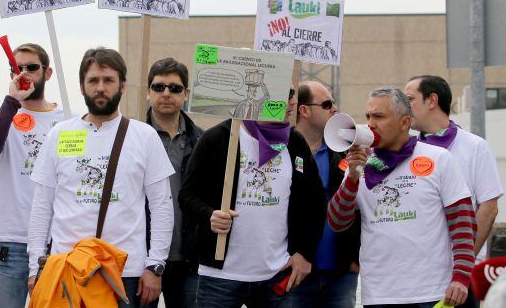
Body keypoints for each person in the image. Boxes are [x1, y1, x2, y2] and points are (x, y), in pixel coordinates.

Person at [28, 47, 175, 307]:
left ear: (123, 85)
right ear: (82, 87)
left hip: (126, 274)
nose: (100, 87)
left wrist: (155, 266)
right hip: (66, 269)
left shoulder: (144, 136)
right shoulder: (59, 134)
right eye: (93, 80)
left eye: (108, 80)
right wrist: (34, 266)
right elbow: (42, 205)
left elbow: (162, 205)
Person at [327, 87, 476, 308]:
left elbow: (462, 221)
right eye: (368, 116)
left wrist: (461, 277)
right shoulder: (359, 164)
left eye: (379, 116)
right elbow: (337, 222)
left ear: (405, 122)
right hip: (380, 294)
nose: (370, 124)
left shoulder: (438, 158)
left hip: (432, 292)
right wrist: (352, 177)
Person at [180, 85, 326, 308]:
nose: (293, 102)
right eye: (285, 94)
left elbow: (315, 202)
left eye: (293, 94)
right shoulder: (217, 139)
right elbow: (187, 195)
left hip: (277, 272)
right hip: (221, 276)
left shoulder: (294, 142)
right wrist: (210, 214)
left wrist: (305, 254)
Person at [0, 43, 65, 307]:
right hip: (12, 241)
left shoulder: (67, 118)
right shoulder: (2, 113)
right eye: (16, 68)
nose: (23, 74)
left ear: (47, 73)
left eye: (31, 68)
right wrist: (12, 103)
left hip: (56, 241)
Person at [405, 75, 503, 308]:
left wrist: (463, 265)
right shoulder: (407, 150)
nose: (402, 106)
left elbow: (488, 208)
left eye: (409, 99)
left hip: (458, 280)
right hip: (417, 278)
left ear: (432, 101)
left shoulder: (474, 146)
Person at [288, 81, 359, 308]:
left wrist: (355, 257)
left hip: (340, 272)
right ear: (304, 110)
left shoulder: (345, 152)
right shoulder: (281, 152)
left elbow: (363, 204)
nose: (335, 109)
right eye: (327, 104)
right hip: (293, 269)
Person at [145, 58, 203, 307]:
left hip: (190, 259)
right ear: (148, 92)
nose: (166, 93)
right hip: (142, 257)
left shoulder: (203, 140)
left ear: (186, 93)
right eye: (158, 87)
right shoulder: (131, 138)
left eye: (175, 88)